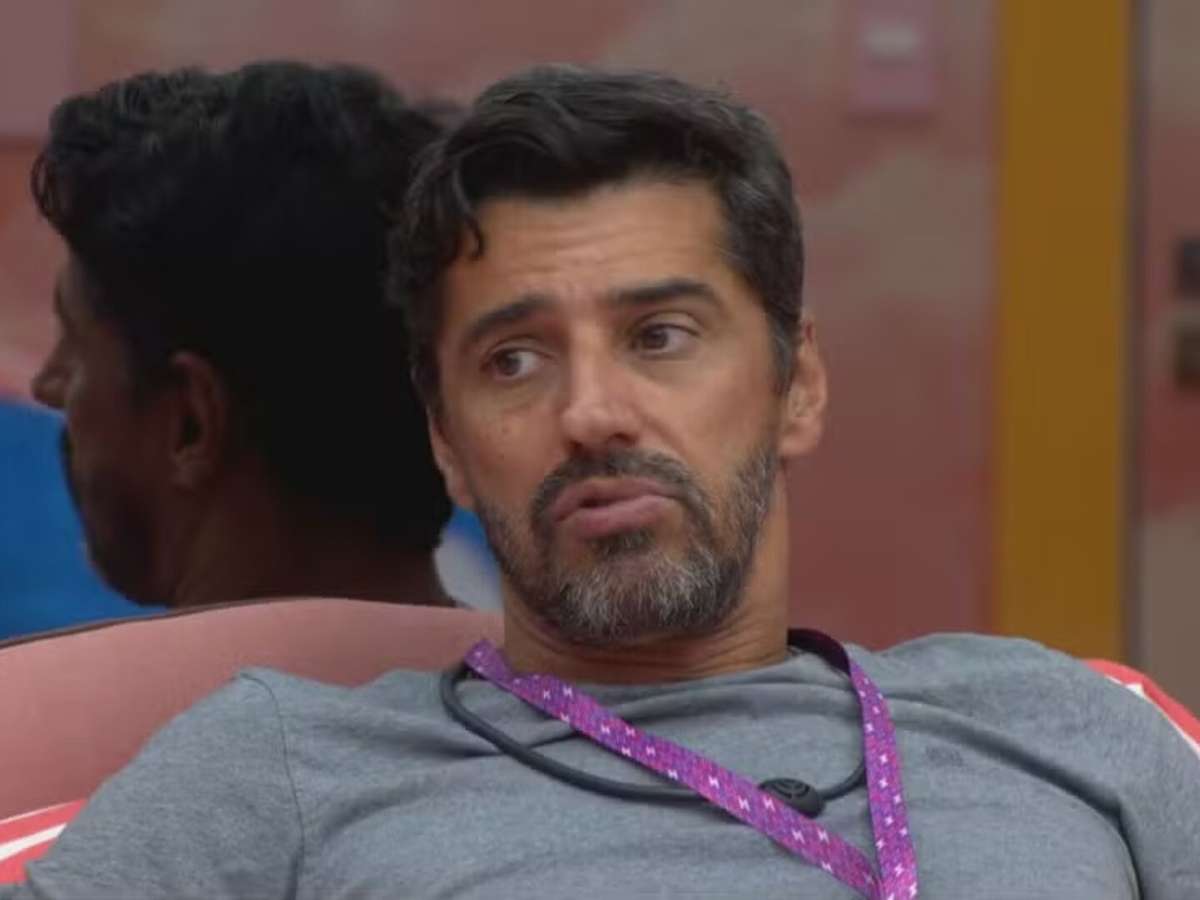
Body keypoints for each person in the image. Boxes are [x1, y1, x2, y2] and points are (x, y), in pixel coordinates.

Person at [7, 65, 1198, 898]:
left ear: (796, 386)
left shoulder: (1058, 725)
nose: (590, 413)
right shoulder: (285, 770)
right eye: (514, 361)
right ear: (446, 439)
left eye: (660, 336)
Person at [26, 61, 456, 609]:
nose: (47, 385)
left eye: (74, 340)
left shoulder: (50, 670)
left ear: (191, 423)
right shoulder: (536, 669)